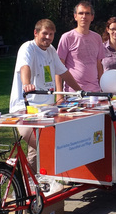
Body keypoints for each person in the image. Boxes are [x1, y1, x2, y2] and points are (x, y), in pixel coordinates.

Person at [9, 19, 82, 173]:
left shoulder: (51, 50)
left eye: (51, 34)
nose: (48, 37)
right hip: (25, 110)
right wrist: (26, 83)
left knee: (35, 153)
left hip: (47, 110)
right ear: (36, 33)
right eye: (44, 33)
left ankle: (31, 187)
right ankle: (52, 183)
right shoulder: (28, 48)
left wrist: (79, 91)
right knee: (48, 147)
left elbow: (63, 72)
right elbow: (25, 66)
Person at [55, 1, 105, 99]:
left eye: (87, 13)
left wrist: (102, 88)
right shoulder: (67, 37)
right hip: (73, 94)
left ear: (92, 17)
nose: (84, 16)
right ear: (75, 16)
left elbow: (99, 65)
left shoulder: (97, 38)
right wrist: (59, 94)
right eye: (81, 13)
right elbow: (59, 66)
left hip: (94, 93)